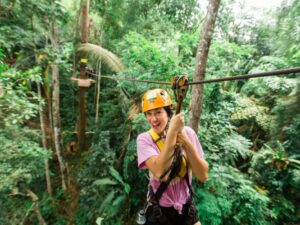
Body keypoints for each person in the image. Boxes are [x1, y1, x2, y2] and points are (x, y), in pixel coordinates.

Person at [137, 88, 209, 225]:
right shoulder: (145, 140)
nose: (153, 119)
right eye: (149, 114)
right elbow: (160, 171)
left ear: (168, 113)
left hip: (186, 209)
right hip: (159, 211)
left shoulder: (188, 133)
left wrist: (186, 142)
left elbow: (203, 175)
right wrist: (172, 133)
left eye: (158, 112)